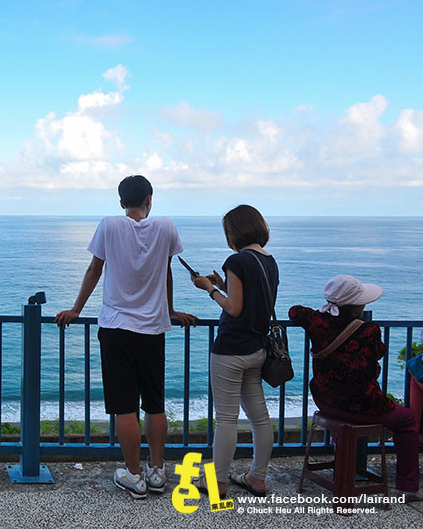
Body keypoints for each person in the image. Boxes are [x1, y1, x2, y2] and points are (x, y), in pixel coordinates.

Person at [55, 175, 196, 499]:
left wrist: (77, 308)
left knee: (124, 407)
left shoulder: (109, 225)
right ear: (150, 198)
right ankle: (157, 472)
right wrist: (169, 311)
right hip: (152, 329)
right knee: (155, 404)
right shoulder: (165, 227)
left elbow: (94, 270)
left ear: (121, 202)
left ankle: (134, 476)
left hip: (116, 328)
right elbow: (166, 272)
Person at [289, 276, 423, 501]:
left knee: (347, 419)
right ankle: (408, 487)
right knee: (408, 421)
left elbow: (294, 311)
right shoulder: (369, 330)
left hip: (324, 399)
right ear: (357, 305)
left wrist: (321, 312)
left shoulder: (316, 320)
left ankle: (341, 457)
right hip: (362, 405)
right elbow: (379, 352)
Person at [189, 205, 274, 497]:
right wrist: (225, 284)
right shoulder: (268, 260)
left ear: (233, 232)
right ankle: (257, 478)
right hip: (257, 349)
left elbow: (234, 308)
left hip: (231, 350)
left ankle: (218, 482)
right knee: (259, 418)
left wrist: (210, 289)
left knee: (226, 419)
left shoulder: (236, 260)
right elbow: (253, 298)